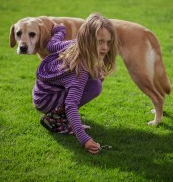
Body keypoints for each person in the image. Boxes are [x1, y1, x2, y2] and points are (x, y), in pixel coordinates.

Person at [32, 13, 118, 154]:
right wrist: (85, 139)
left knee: (96, 81)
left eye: (108, 42)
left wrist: (59, 31)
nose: (105, 48)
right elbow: (71, 105)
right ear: (87, 39)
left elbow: (52, 46)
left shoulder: (74, 44)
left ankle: (59, 114)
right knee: (95, 86)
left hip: (41, 93)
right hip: (45, 100)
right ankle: (55, 118)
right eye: (100, 41)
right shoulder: (80, 69)